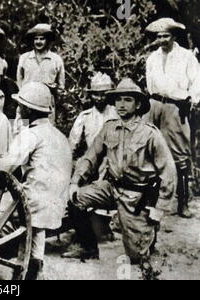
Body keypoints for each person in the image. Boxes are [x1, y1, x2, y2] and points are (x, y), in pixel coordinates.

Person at [61, 79, 177, 264]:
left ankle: (149, 231)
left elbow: (168, 173)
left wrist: (159, 208)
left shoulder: (150, 134)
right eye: (118, 100)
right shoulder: (109, 128)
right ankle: (88, 247)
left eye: (127, 100)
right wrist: (75, 182)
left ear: (138, 104)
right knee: (75, 199)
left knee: (137, 258)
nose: (121, 105)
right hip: (110, 186)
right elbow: (90, 157)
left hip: (136, 196)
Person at [0, 82, 72, 280]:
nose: (18, 110)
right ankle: (33, 269)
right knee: (36, 230)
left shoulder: (30, 134)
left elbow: (5, 166)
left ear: (27, 109)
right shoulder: (59, 136)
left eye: (20, 106)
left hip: (34, 203)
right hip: (55, 204)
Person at [145, 18, 200, 218]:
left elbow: (196, 82)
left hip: (176, 106)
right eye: (159, 36)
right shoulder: (152, 58)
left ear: (174, 36)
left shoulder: (186, 57)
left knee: (180, 154)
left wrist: (191, 101)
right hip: (155, 104)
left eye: (166, 36)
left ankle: (183, 202)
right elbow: (150, 85)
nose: (162, 40)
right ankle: (153, 200)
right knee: (151, 150)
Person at [69, 73, 118, 158]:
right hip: (92, 160)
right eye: (96, 94)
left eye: (103, 94)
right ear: (91, 95)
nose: (99, 98)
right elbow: (72, 144)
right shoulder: (85, 116)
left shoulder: (117, 113)